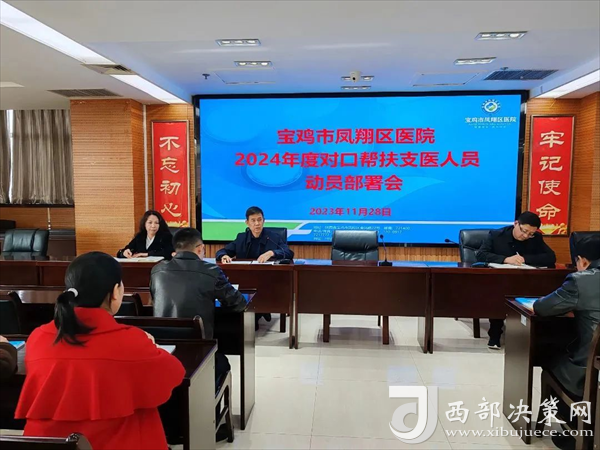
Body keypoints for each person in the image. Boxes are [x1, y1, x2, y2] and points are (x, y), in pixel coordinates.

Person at [15, 252, 185, 450]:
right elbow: (174, 373)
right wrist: (151, 346)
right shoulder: (130, 341)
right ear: (115, 292)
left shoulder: (38, 337)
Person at [150, 227, 246, 441]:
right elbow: (238, 303)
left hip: (163, 353)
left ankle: (171, 425)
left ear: (176, 249)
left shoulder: (157, 270)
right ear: (200, 248)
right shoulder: (211, 271)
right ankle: (210, 422)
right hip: (199, 356)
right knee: (221, 363)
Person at [534, 234, 599, 450]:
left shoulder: (582, 280)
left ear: (583, 261)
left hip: (590, 370)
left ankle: (575, 430)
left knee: (551, 360)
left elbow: (542, 308)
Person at [476, 211, 556, 349]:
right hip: (499, 280)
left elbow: (551, 257)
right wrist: (505, 259)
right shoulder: (496, 235)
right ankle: (495, 334)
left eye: (530, 234)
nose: (526, 236)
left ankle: (528, 334)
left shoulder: (536, 238)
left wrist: (525, 259)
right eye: (524, 231)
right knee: (498, 295)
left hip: (525, 280)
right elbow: (481, 255)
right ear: (516, 224)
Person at [215, 206, 294, 263]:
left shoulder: (273, 237)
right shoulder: (241, 238)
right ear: (247, 223)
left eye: (259, 220)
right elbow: (222, 251)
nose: (257, 223)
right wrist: (223, 256)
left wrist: (271, 253)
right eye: (253, 220)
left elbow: (288, 253)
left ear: (263, 221)